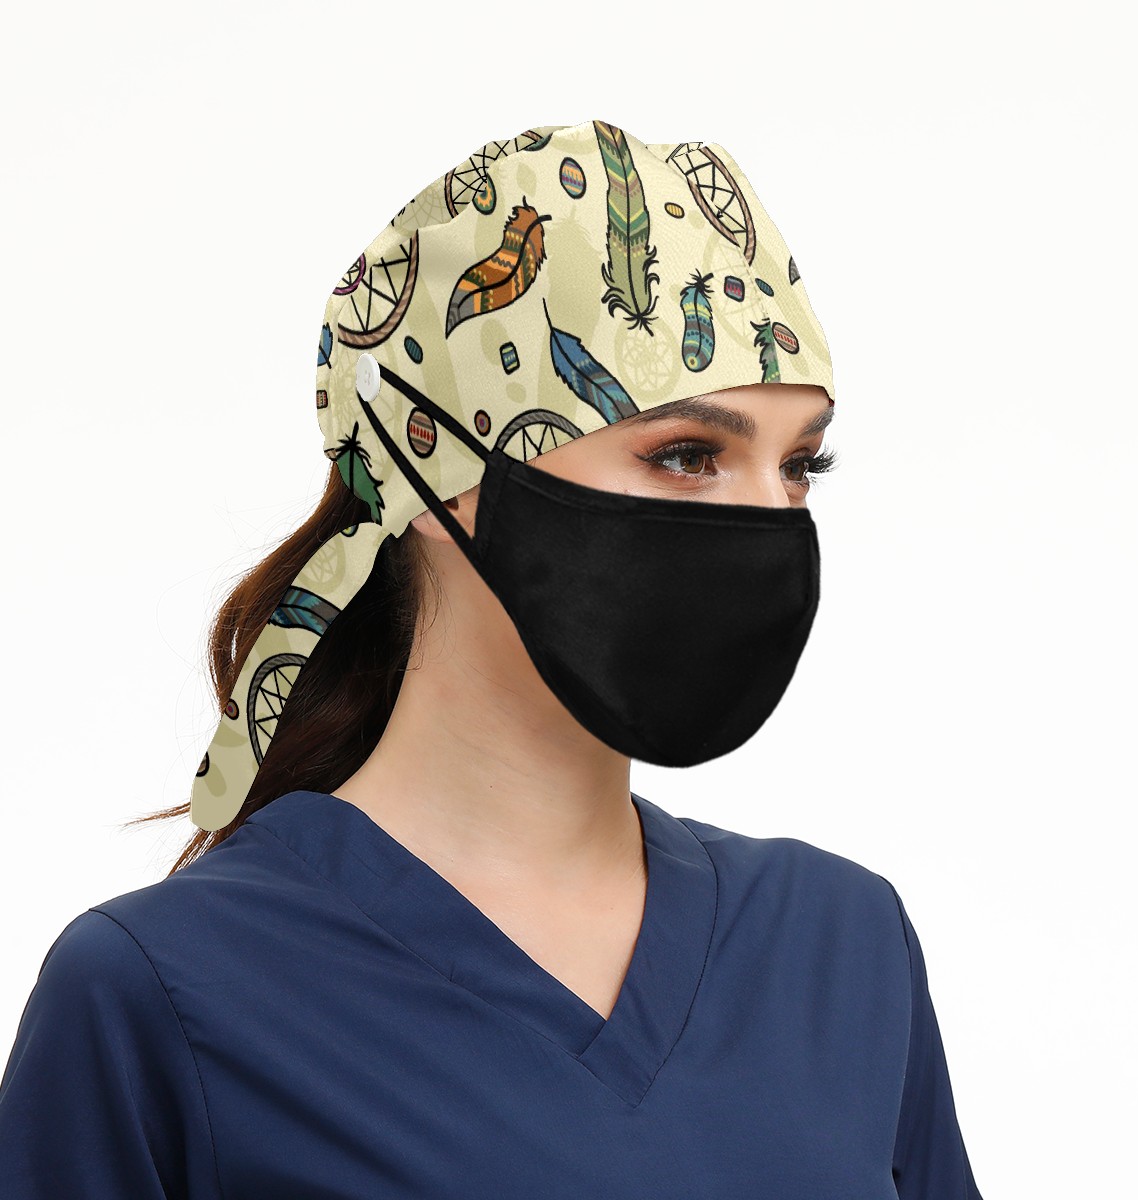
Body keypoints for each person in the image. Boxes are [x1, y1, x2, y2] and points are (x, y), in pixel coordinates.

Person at [0, 118, 984, 1197]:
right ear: (438, 472)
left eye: (800, 466)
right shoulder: (161, 995)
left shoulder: (841, 947)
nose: (770, 524)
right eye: (686, 455)